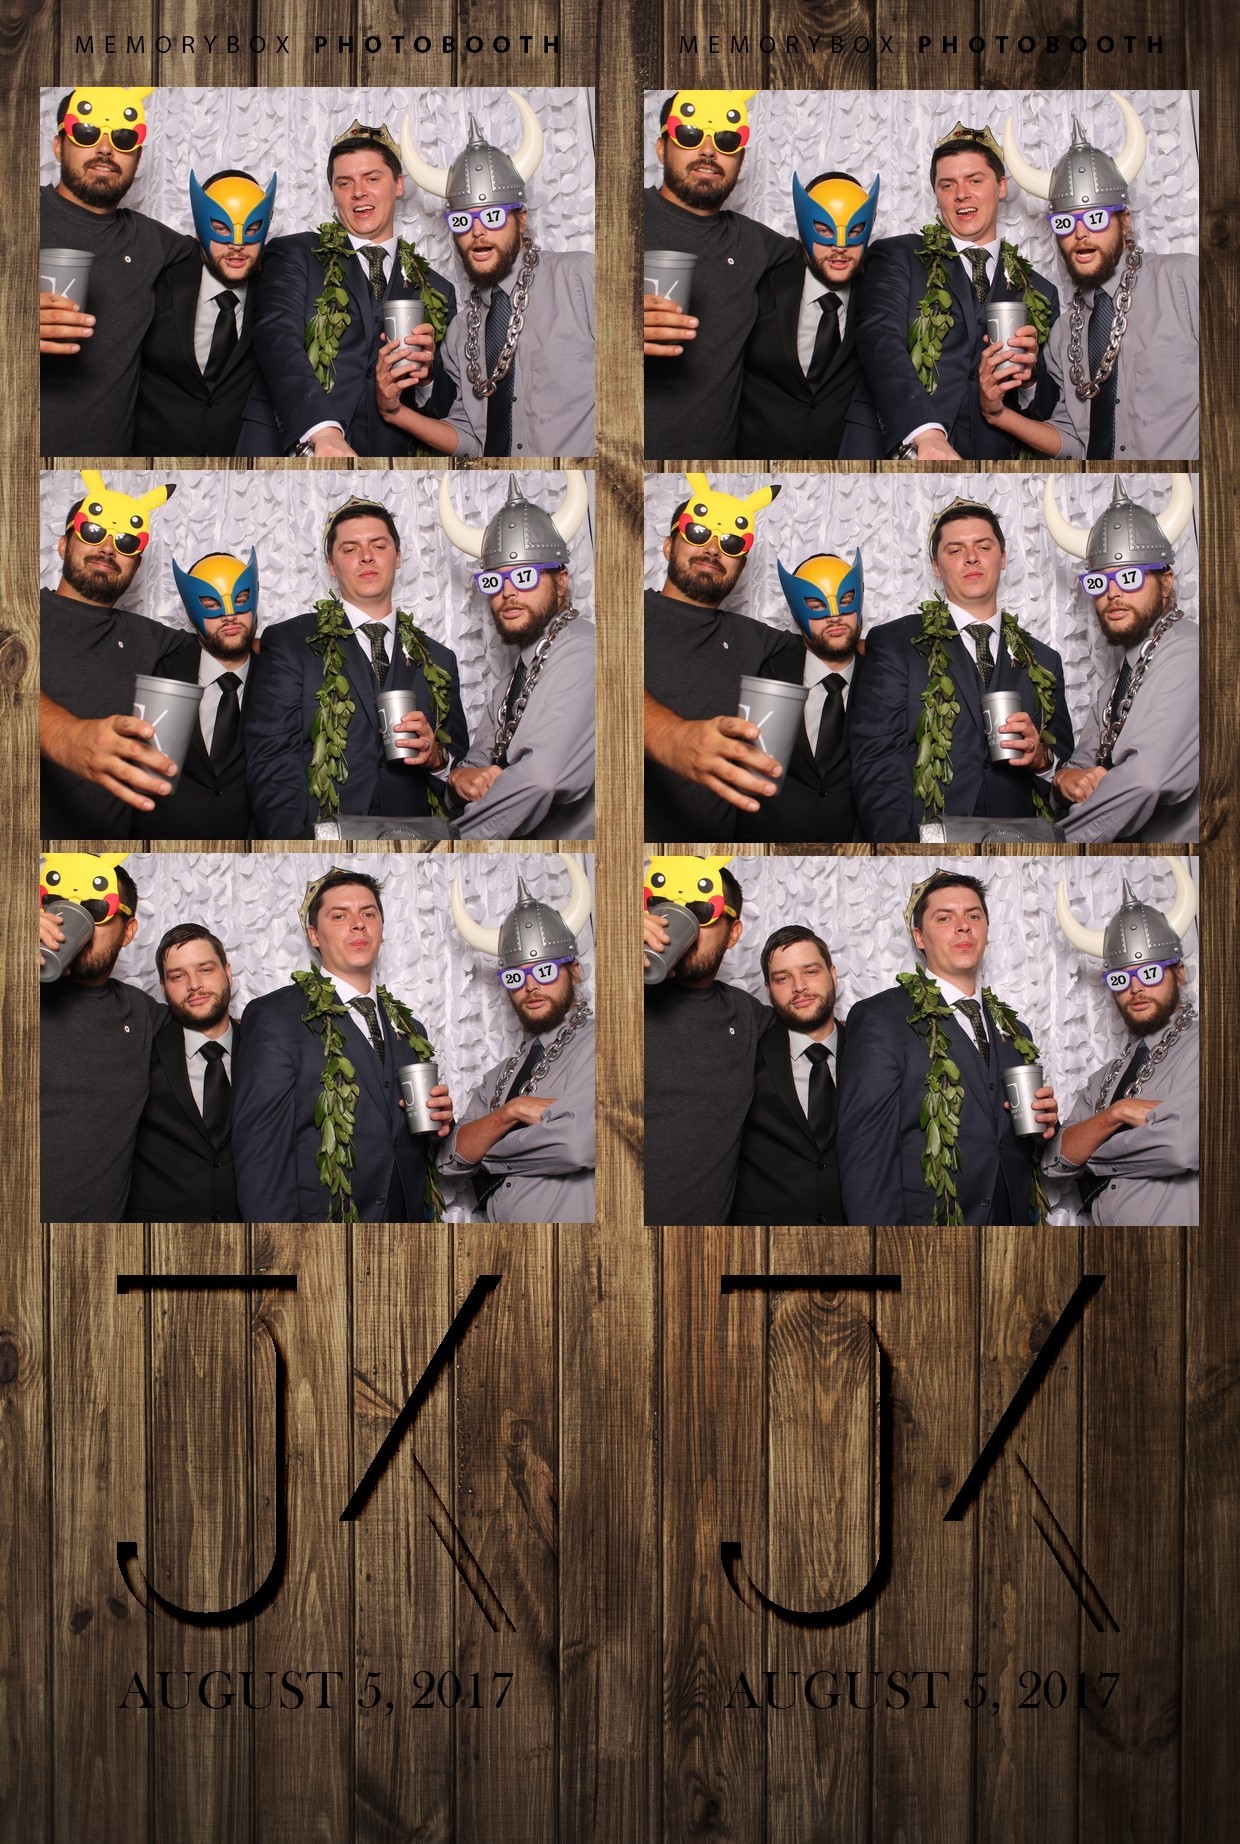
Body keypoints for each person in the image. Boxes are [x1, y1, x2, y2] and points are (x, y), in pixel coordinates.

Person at [837, 871, 1060, 1226]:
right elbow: (866, 1158)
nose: (963, 926)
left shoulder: (1015, 1030)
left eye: (974, 915)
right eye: (944, 918)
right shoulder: (881, 1018)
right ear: (919, 937)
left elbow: (1009, 1141)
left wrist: (1047, 1125)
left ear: (987, 930)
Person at [232, 869, 454, 1222]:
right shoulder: (276, 1016)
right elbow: (261, 1154)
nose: (358, 924)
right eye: (339, 916)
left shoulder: (410, 1028)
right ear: (314, 935)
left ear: (381, 928)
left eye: (369, 913)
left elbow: (404, 1140)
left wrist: (441, 1126)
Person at [847, 498, 1073, 842]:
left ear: (1003, 557)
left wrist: (1042, 759)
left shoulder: (1044, 659)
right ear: (936, 566)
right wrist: (903, 850)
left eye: (984, 546)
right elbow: (876, 763)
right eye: (955, 550)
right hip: (924, 843)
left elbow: (1066, 772)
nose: (971, 557)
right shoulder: (895, 643)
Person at [243, 494, 468, 839]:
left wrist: (437, 758)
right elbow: (271, 763)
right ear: (331, 565)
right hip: (319, 842)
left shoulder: (438, 658)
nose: (366, 556)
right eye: (350, 549)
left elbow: (461, 772)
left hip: (411, 847)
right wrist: (297, 850)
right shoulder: (291, 642)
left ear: (398, 557)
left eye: (378, 545)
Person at [991, 95, 1198, 460]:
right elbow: (1074, 442)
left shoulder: (1184, 281)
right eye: (1065, 222)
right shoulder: (1061, 336)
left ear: (1125, 222)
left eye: (1097, 218)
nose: (1081, 233)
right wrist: (998, 414)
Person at [839, 123, 1059, 461]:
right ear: (937, 194)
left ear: (1001, 187)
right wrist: (925, 433)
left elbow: (1054, 412)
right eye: (947, 185)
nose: (961, 194)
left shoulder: (1040, 291)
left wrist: (1029, 383)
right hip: (888, 456)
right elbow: (879, 340)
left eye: (975, 181)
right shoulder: (897, 256)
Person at [236, 121, 455, 459]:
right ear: (334, 192)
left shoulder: (437, 289)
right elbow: (276, 338)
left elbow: (450, 408)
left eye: (372, 178)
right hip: (285, 453)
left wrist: (426, 381)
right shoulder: (294, 254)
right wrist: (322, 431)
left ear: (398, 185)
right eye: (344, 183)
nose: (358, 192)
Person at [395, 94, 594, 457]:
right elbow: (472, 440)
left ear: (522, 218)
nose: (478, 231)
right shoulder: (460, 333)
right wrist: (395, 412)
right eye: (462, 220)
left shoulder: (580, 278)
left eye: (493, 216)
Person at [40, 471, 199, 838]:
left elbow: (230, 643)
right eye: (93, 532)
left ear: (137, 565)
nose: (108, 548)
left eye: (126, 542)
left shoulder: (149, 637)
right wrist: (68, 736)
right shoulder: (17, 611)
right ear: (63, 544)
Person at [643, 89, 801, 458]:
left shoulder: (755, 243)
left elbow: (824, 256)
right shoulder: (619, 222)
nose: (708, 151)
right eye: (690, 134)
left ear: (740, 160)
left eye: (726, 140)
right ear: (662, 148)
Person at [644, 474, 802, 840]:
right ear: (668, 545)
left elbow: (835, 644)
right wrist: (673, 737)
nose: (714, 549)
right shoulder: (622, 616)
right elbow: (603, 688)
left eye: (731, 542)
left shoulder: (755, 638)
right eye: (698, 533)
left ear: (742, 566)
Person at [437, 474, 595, 838]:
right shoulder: (510, 684)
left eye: (525, 576)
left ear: (561, 581)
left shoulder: (584, 651)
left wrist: (457, 844)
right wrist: (460, 779)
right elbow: (475, 763)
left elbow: (541, 777)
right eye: (494, 581)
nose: (508, 593)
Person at [40, 87, 193, 455]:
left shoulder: (151, 240)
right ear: (59, 146)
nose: (106, 148)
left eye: (123, 139)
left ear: (137, 158)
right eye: (88, 132)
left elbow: (226, 253)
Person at [439, 859, 595, 1221]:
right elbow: (448, 1160)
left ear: (574, 971)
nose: (531, 986)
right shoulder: (497, 1077)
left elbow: (577, 1145)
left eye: (545, 971)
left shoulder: (602, 1046)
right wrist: (513, 1111)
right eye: (515, 977)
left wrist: (483, 1153)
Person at [1044, 477, 1198, 842]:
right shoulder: (1114, 686)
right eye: (1098, 582)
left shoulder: (1189, 652)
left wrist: (1058, 845)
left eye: (1130, 577)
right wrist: (1064, 780)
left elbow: (1146, 778)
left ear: (1166, 582)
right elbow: (1079, 766)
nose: (1113, 593)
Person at [1044, 862, 1198, 1225]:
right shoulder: (1103, 1080)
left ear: (1179, 973)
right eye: (1120, 979)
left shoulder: (1209, 1048)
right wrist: (1118, 1112)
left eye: (1150, 972)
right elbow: (1053, 1162)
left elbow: (1183, 1145)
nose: (1136, 988)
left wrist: (1089, 1155)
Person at [643, 858, 769, 1225]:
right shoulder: (619, 1001)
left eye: (700, 912)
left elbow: (816, 1022)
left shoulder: (745, 1014)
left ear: (733, 934)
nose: (680, 925)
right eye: (663, 906)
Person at [39, 855, 163, 1222]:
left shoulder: (140, 1012)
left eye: (95, 910)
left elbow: (211, 1019)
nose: (71, 921)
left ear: (128, 932)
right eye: (56, 903)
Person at [134, 167, 276, 457]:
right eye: (221, 228)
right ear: (200, 224)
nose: (237, 244)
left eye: (251, 228)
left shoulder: (275, 294)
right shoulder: (157, 281)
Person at [736, 169, 876, 459]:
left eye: (854, 231)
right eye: (823, 229)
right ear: (802, 225)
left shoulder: (879, 295)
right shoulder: (761, 283)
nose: (840, 246)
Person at [739, 548, 864, 844]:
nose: (834, 616)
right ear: (795, 615)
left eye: (846, 601)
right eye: (815, 605)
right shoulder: (765, 671)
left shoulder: (885, 678)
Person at [732, 927, 848, 1225]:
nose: (799, 987)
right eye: (783, 978)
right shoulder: (744, 1054)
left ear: (833, 974)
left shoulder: (869, 1050)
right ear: (768, 989)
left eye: (810, 971)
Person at [126, 924, 242, 1222]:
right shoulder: (139, 1051)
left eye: (205, 969)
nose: (194, 985)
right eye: (178, 976)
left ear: (228, 973)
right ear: (163, 987)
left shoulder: (264, 1048)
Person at [144, 548, 258, 840]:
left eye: (241, 600)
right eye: (210, 603)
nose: (229, 615)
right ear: (190, 609)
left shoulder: (280, 676)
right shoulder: (161, 671)